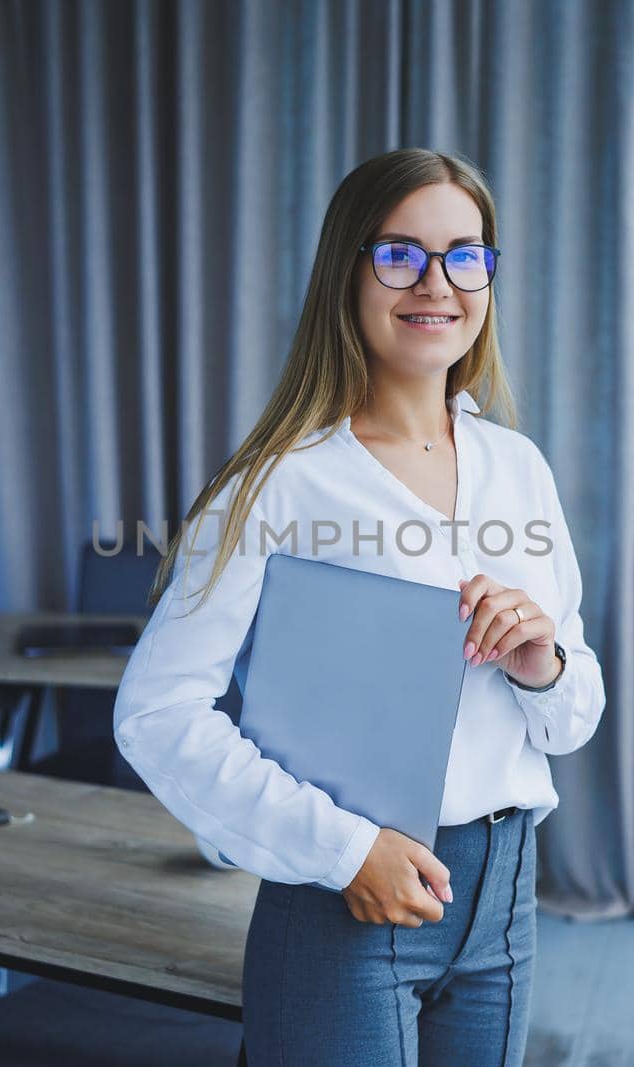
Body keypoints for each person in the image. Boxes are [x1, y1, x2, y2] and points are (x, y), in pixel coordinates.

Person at [111, 147, 607, 1066]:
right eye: (399, 254)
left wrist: (546, 665)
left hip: (504, 904)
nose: (437, 282)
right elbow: (156, 713)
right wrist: (344, 852)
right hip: (345, 907)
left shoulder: (520, 469)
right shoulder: (278, 484)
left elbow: (573, 721)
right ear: (349, 269)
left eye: (466, 255)